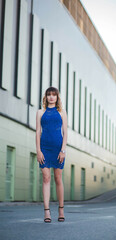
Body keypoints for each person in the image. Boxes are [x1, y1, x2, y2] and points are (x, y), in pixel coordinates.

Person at [36, 86, 67, 223]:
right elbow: (37, 132)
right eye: (49, 94)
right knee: (46, 177)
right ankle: (47, 212)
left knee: (58, 178)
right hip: (44, 148)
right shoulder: (40, 112)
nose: (51, 97)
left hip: (58, 149)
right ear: (46, 97)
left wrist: (63, 150)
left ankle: (61, 209)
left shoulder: (62, 113)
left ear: (57, 97)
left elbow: (65, 133)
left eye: (54, 95)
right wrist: (38, 150)